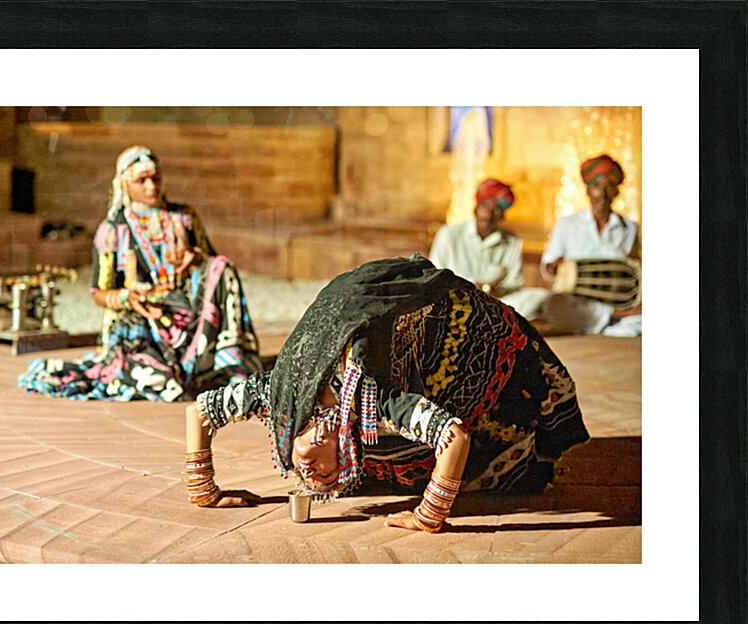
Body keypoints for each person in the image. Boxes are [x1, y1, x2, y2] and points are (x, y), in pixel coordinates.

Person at [183, 256, 590, 533]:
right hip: (386, 326)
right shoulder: (292, 396)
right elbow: (200, 411)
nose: (312, 478)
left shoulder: (360, 398)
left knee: (499, 424)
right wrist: (205, 491)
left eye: (317, 475)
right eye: (322, 476)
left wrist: (428, 515)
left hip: (458, 320)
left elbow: (455, 437)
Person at [19, 146, 263, 401]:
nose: (151, 187)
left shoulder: (184, 217)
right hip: (140, 323)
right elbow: (98, 293)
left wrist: (197, 258)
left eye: (155, 179)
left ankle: (226, 359)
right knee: (157, 379)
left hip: (188, 319)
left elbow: (213, 269)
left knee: (221, 265)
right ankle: (175, 370)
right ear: (125, 184)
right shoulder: (112, 231)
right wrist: (127, 298)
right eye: (141, 180)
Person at [540, 154, 642, 336]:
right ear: (587, 190)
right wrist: (552, 267)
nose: (601, 194)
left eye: (609, 187)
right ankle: (615, 320)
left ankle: (612, 320)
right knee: (553, 304)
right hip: (577, 302)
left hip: (613, 300)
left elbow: (632, 268)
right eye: (596, 186)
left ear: (617, 191)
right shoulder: (566, 224)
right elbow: (548, 263)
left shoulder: (629, 228)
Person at [429, 178, 547, 320]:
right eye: (485, 207)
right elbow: (434, 275)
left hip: (494, 303)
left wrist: (495, 290)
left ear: (503, 215)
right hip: (455, 302)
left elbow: (515, 283)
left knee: (539, 296)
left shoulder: (512, 241)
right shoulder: (449, 234)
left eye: (496, 210)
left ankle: (489, 318)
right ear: (476, 208)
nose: (488, 215)